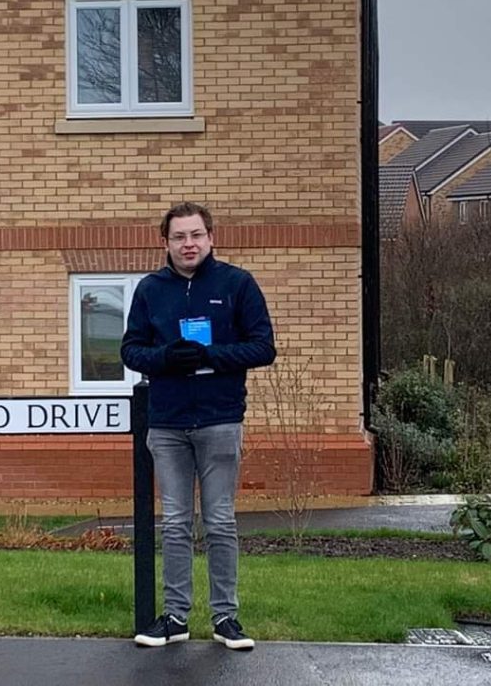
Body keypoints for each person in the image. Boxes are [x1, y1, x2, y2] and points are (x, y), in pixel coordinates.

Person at [121, 201, 276, 651]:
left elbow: (264, 347)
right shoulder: (151, 290)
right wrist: (165, 359)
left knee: (220, 521)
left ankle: (226, 618)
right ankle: (174, 617)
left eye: (195, 235)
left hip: (219, 420)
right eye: (178, 237)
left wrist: (212, 356)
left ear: (211, 238)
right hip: (167, 424)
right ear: (165, 242)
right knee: (174, 523)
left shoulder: (237, 284)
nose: (188, 244)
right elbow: (131, 351)